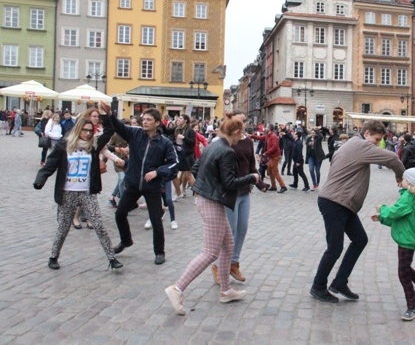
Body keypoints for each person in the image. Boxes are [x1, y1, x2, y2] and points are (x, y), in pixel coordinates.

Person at [165, 113, 260, 315]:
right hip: (211, 202)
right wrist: (252, 177)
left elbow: (197, 168)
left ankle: (225, 291)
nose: (240, 138)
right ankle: (177, 288)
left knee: (228, 245)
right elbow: (230, 183)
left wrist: (208, 183)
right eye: (240, 134)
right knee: (210, 252)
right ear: (234, 132)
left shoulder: (213, 145)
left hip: (206, 198)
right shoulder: (226, 150)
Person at [310, 120, 405, 303]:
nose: (377, 144)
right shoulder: (361, 145)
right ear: (367, 133)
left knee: (360, 239)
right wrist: (400, 176)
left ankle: (339, 282)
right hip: (335, 202)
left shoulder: (350, 145)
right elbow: (393, 159)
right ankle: (318, 286)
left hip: (342, 203)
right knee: (335, 247)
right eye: (376, 140)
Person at [33, 102, 123, 271]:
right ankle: (53, 256)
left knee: (99, 225)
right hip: (67, 193)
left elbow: (110, 131)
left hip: (87, 192)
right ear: (78, 130)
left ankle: (111, 259)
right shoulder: (64, 146)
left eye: (90, 131)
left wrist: (107, 115)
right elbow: (49, 165)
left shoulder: (93, 146)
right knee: (63, 227)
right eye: (85, 130)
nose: (88, 133)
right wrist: (40, 179)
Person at [111, 108, 178, 265]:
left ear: (157, 123)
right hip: (133, 184)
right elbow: (119, 128)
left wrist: (157, 172)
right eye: (144, 119)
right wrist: (109, 115)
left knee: (156, 221)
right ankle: (126, 241)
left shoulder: (165, 143)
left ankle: (159, 252)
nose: (145, 122)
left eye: (148, 119)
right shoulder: (135, 134)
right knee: (120, 213)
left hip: (152, 187)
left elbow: (174, 163)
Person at [211, 110, 267, 284]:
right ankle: (219, 265)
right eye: (240, 121)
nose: (243, 124)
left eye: (244, 121)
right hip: (229, 193)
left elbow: (251, 166)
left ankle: (233, 263)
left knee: (242, 229)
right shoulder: (223, 142)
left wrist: (259, 183)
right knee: (229, 231)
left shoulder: (248, 141)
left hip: (244, 192)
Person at [371, 168, 415, 321]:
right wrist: (381, 219)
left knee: (403, 273)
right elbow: (400, 219)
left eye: (402, 178)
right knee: (405, 266)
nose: (400, 180)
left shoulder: (407, 198)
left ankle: (412, 308)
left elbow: (394, 212)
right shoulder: (409, 196)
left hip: (407, 240)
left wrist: (382, 209)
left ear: (408, 181)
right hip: (407, 236)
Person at [252, 124, 287, 193]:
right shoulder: (268, 135)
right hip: (271, 156)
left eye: (267, 127)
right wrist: (252, 136)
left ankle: (283, 186)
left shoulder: (273, 136)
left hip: (275, 156)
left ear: (270, 129)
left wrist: (266, 153)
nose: (265, 128)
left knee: (275, 171)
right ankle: (273, 186)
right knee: (270, 170)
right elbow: (261, 138)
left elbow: (274, 147)